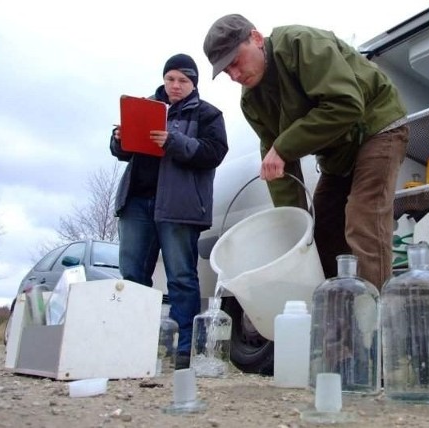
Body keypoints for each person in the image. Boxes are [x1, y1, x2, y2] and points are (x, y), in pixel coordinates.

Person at [203, 15, 409, 289]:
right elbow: (277, 164)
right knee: (320, 228)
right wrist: (293, 224)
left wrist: (283, 147)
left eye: (235, 62)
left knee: (363, 216)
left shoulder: (302, 44)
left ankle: (376, 314)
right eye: (226, 71)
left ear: (256, 38)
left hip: (377, 126)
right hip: (338, 152)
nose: (235, 75)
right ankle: (335, 309)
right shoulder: (252, 100)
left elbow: (346, 105)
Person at [110, 53, 228, 369]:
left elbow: (215, 152)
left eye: (183, 81)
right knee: (132, 276)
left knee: (181, 278)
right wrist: (119, 140)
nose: (176, 86)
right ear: (164, 79)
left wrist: (173, 141)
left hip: (180, 207)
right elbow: (122, 154)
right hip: (137, 203)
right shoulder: (144, 107)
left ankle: (183, 353)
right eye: (171, 79)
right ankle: (132, 348)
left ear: (194, 84)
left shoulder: (208, 114)